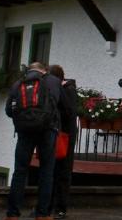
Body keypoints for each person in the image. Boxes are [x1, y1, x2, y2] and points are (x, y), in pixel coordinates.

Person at [5, 61, 67, 220]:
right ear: (44, 70)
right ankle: (42, 214)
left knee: (20, 171)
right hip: (48, 131)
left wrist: (25, 119)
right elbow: (64, 107)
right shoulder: (53, 81)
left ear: (29, 70)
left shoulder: (18, 83)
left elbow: (8, 110)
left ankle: (12, 214)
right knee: (46, 172)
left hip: (25, 132)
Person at [49, 64, 77, 219]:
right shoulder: (61, 89)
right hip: (56, 134)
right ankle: (48, 205)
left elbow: (69, 111)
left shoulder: (69, 90)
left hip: (65, 135)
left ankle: (60, 207)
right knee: (51, 171)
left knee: (63, 172)